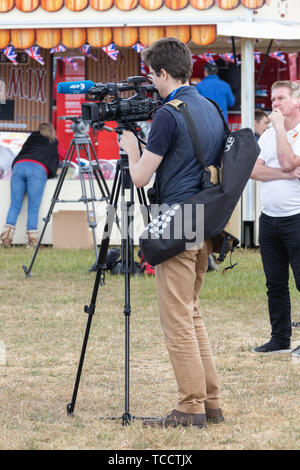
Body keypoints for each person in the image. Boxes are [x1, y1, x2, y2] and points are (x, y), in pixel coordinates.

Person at [119, 38, 226, 429]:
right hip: (205, 220)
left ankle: (190, 406)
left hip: (175, 221)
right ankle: (210, 400)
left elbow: (141, 176)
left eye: (151, 73)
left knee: (177, 319)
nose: (150, 81)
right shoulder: (211, 106)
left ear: (164, 73)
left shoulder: (168, 113)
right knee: (191, 313)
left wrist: (132, 147)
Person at [250, 80, 300, 354]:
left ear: (296, 101)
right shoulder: (267, 135)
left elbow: (288, 161)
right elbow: (254, 171)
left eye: (281, 98)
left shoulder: (282, 131)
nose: (275, 103)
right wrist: (285, 174)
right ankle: (280, 339)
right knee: (275, 283)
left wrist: (280, 128)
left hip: (296, 217)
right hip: (269, 220)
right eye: (272, 98)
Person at [0, 122, 66, 248]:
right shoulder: (53, 141)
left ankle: (6, 237)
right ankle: (32, 241)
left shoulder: (32, 138)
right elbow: (65, 156)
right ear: (52, 131)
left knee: (15, 204)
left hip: (19, 167)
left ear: (39, 130)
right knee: (33, 206)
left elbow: (21, 152)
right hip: (37, 169)